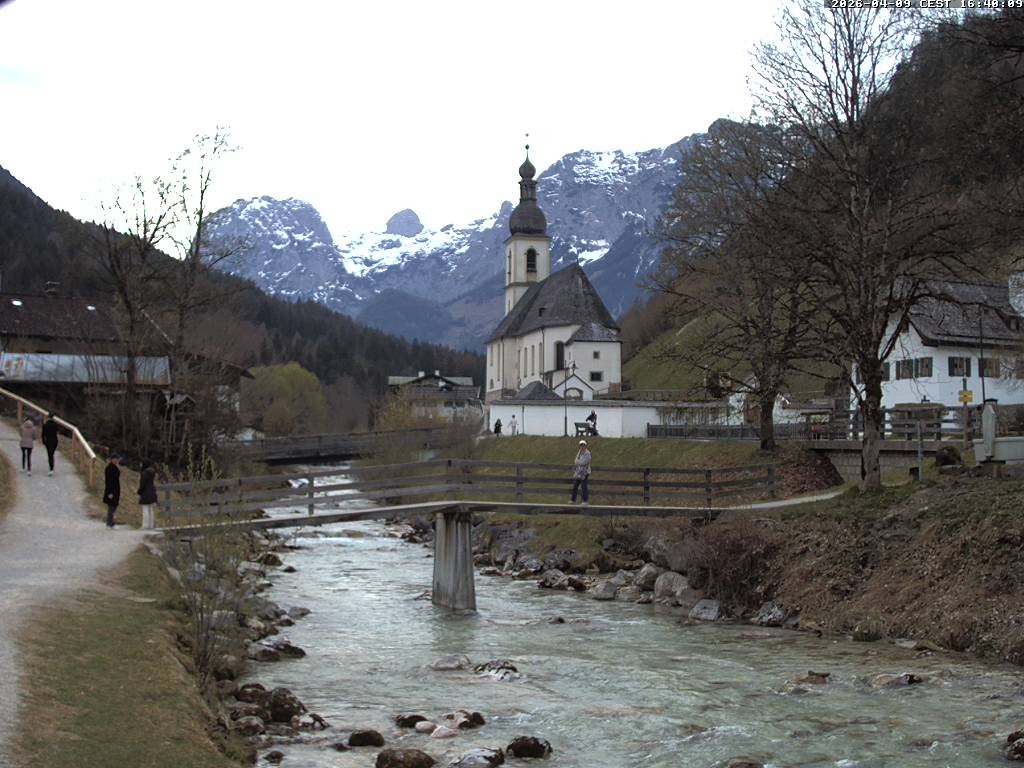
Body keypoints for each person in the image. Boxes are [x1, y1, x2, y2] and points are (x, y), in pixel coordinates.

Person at [138, 459, 158, 530]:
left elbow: (142, 485)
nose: (140, 465)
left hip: (145, 493)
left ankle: (145, 525)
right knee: (151, 509)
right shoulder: (152, 472)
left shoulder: (144, 474)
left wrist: (139, 491)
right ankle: (151, 525)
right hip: (152, 492)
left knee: (145, 509)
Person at [570, 439, 592, 505]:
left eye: (583, 445)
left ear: (586, 446)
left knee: (583, 486)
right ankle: (573, 500)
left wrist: (578, 462)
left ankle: (585, 501)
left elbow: (584, 462)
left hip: (585, 472)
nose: (582, 447)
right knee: (575, 486)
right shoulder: (579, 452)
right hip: (579, 472)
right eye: (581, 445)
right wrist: (578, 462)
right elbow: (575, 461)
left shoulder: (588, 454)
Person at [103, 453, 121, 528]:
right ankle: (109, 522)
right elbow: (108, 481)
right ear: (112, 459)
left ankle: (111, 521)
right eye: (115, 459)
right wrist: (110, 492)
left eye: (117, 459)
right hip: (111, 489)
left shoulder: (115, 467)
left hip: (116, 489)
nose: (116, 461)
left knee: (114, 505)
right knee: (111, 506)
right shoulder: (109, 468)